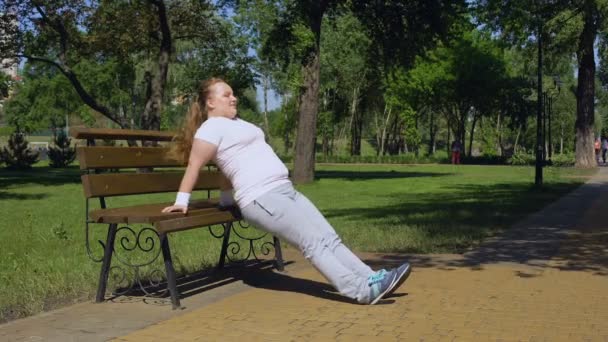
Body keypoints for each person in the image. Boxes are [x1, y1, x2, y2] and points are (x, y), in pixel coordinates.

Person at [162, 78, 411, 305]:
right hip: (260, 197)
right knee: (312, 243)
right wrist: (182, 201)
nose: (234, 98)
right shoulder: (210, 128)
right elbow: (195, 165)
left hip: (283, 189)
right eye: (227, 95)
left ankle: (370, 278)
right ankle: (361, 290)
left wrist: (226, 201)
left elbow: (228, 168)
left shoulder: (237, 123)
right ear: (211, 102)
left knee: (328, 236)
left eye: (233, 94)